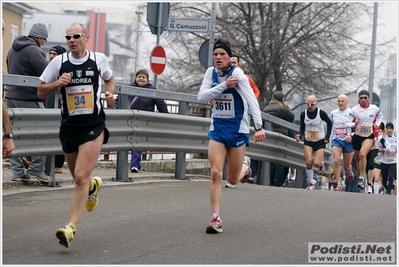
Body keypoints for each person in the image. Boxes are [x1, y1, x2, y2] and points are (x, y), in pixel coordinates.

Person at [38, 23, 115, 248]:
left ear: (86, 37)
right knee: (78, 179)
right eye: (68, 37)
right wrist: (57, 83)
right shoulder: (59, 62)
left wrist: (111, 94)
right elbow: (40, 90)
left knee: (80, 176)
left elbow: (109, 79)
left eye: (76, 36)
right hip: (69, 126)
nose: (71, 40)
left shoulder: (98, 59)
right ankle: (92, 187)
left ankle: (70, 228)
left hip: (93, 125)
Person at [197, 38, 266, 234]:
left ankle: (246, 166)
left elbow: (252, 101)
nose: (218, 57)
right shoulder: (210, 73)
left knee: (233, 179)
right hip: (218, 130)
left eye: (222, 55)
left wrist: (259, 127)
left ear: (229, 58)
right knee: (216, 174)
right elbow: (201, 97)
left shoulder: (239, 75)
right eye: (215, 54)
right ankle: (215, 218)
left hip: (238, 131)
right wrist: (224, 86)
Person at [5, 22, 52, 183]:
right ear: (40, 38)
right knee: (45, 134)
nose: (44, 43)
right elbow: (47, 73)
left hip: (10, 97)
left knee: (15, 135)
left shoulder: (12, 50)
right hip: (29, 98)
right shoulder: (34, 50)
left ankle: (18, 172)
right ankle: (37, 170)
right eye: (44, 40)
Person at [111, 69, 169, 172]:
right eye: (139, 77)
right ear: (136, 78)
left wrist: (166, 117)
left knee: (136, 142)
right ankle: (129, 165)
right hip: (129, 119)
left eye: (143, 77)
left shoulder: (152, 90)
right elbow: (118, 100)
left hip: (143, 121)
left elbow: (161, 105)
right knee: (125, 142)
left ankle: (134, 165)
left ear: (147, 79)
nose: (141, 79)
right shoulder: (129, 88)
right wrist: (114, 110)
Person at [225, 54, 260, 188]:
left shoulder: (245, 78)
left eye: (235, 62)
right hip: (224, 122)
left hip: (240, 123)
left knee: (233, 156)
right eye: (230, 62)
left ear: (239, 65)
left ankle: (241, 169)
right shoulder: (223, 78)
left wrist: (245, 101)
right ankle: (244, 167)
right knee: (228, 158)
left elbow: (255, 93)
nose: (232, 64)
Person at [349, 90, 383, 194]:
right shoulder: (354, 110)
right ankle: (361, 179)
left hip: (368, 136)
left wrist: (377, 124)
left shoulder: (374, 108)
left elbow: (380, 116)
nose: (363, 100)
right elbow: (347, 122)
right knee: (358, 159)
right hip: (357, 136)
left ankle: (363, 180)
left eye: (365, 98)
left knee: (363, 155)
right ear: (359, 99)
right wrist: (354, 123)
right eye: (361, 98)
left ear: (368, 98)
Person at [295, 95, 332, 190]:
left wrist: (327, 137)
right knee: (308, 161)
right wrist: (299, 134)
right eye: (308, 104)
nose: (310, 106)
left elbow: (330, 123)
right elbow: (302, 127)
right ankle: (311, 182)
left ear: (316, 103)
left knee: (316, 163)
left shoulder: (321, 113)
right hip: (308, 141)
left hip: (319, 141)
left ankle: (321, 164)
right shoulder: (304, 114)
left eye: (312, 104)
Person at [263, 91, 295, 187]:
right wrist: (286, 106)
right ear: (282, 100)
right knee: (280, 161)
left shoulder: (266, 108)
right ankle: (278, 182)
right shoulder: (282, 109)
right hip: (281, 137)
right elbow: (291, 117)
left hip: (269, 136)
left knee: (271, 160)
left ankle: (270, 181)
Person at [329, 94, 355, 192]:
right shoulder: (333, 113)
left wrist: (351, 135)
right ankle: (339, 184)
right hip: (337, 139)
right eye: (339, 101)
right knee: (336, 161)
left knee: (347, 166)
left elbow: (356, 127)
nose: (340, 103)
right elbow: (330, 126)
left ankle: (349, 172)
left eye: (342, 101)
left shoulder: (352, 112)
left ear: (347, 102)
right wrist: (328, 137)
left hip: (348, 140)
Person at [50, 45, 68, 173]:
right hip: (48, 108)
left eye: (54, 54)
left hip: (62, 108)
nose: (51, 56)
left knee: (61, 136)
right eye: (50, 53)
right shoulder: (46, 68)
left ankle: (58, 165)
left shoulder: (66, 70)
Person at [376, 122, 396, 195]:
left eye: (390, 129)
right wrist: (384, 149)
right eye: (387, 128)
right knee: (384, 179)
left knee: (391, 177)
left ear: (392, 130)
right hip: (384, 161)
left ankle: (388, 193)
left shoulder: (396, 138)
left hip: (393, 161)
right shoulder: (382, 138)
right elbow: (377, 147)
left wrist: (393, 151)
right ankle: (386, 188)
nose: (389, 130)